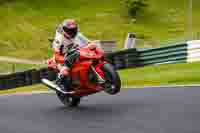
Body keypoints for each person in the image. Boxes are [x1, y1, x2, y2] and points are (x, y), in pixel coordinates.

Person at [47, 19, 97, 92]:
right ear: (65, 30)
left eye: (74, 30)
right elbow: (57, 56)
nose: (72, 32)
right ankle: (58, 82)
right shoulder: (59, 39)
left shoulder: (78, 34)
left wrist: (92, 45)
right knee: (65, 71)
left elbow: (89, 43)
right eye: (70, 30)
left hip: (75, 52)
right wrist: (66, 60)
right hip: (62, 58)